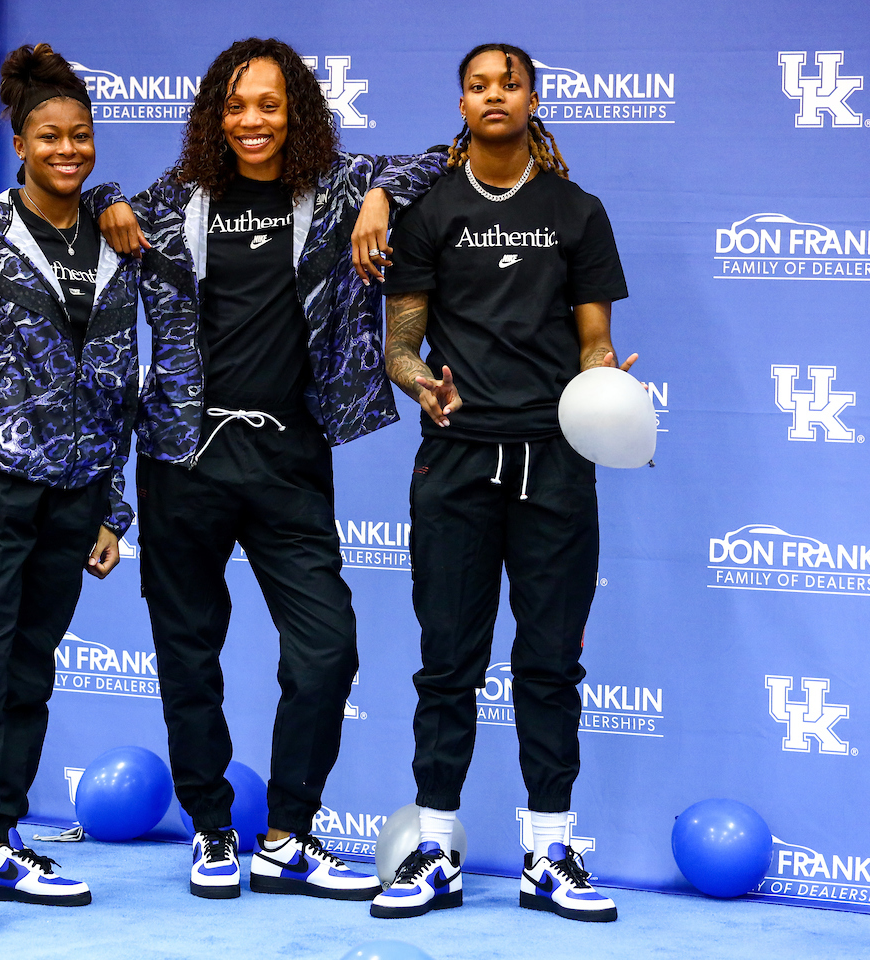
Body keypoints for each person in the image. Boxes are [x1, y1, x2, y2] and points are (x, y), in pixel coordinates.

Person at [121, 37, 445, 902]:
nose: (251, 121)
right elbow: (98, 207)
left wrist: (378, 194)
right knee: (188, 653)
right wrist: (112, 206)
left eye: (269, 105)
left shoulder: (333, 189)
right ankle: (212, 831)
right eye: (236, 105)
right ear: (213, 117)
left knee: (326, 650)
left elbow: (440, 159)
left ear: (296, 111)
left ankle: (288, 833)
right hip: (181, 457)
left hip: (286, 452)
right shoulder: (173, 199)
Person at [371, 43, 632, 923]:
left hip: (555, 462)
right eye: (478, 85)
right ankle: (435, 851)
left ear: (531, 98)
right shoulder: (430, 212)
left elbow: (593, 337)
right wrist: (417, 379)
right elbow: (400, 341)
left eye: (508, 84)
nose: (494, 96)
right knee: (448, 661)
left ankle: (549, 855)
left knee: (550, 664)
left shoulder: (577, 210)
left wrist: (605, 381)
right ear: (463, 101)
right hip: (456, 459)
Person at [0, 43, 139, 938]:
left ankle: (3, 838)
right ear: (19, 141)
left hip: (75, 491)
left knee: (31, 671)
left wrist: (112, 503)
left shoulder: (117, 233)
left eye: (81, 136)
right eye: (51, 136)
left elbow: (119, 372)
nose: (68, 150)